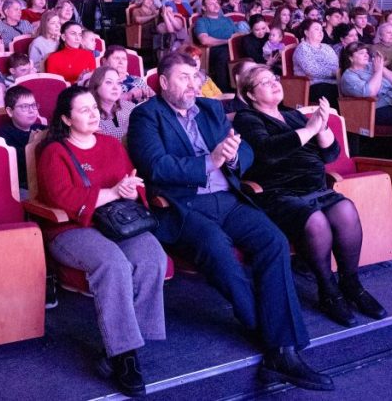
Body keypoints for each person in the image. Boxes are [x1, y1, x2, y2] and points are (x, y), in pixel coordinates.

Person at [127, 52, 331, 391]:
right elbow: (156, 166)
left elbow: (246, 150)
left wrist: (234, 156)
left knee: (273, 241)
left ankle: (280, 351)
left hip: (228, 199)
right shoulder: (146, 115)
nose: (192, 84)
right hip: (182, 205)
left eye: (194, 77)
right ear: (163, 82)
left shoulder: (210, 108)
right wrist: (210, 161)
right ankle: (276, 343)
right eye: (183, 77)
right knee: (217, 247)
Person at [36, 86, 167, 397]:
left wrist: (131, 189)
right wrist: (112, 192)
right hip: (70, 229)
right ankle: (124, 355)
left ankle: (128, 341)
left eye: (94, 108)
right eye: (84, 110)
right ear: (66, 119)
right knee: (113, 264)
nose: (93, 114)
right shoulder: (54, 151)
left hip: (116, 223)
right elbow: (62, 199)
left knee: (153, 256)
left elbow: (131, 182)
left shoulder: (110, 144)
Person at [235, 67, 386, 328]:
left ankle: (351, 284)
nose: (274, 83)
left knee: (346, 209)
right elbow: (268, 152)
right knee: (316, 221)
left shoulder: (292, 115)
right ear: (250, 94)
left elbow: (330, 155)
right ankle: (328, 291)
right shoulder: (247, 118)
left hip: (316, 188)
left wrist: (322, 127)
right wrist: (310, 128)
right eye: (264, 82)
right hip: (278, 193)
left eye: (275, 78)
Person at [338, 42, 392, 127]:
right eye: (361, 53)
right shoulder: (349, 76)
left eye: (366, 52)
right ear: (351, 58)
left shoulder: (370, 66)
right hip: (374, 109)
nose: (366, 55)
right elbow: (370, 93)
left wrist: (381, 67)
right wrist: (378, 71)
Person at [0, 85, 47, 190]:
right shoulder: (2, 134)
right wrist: (30, 146)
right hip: (21, 186)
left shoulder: (41, 128)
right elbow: (13, 169)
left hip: (44, 180)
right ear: (10, 111)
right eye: (24, 107)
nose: (31, 111)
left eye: (33, 105)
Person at [292, 19, 339, 108]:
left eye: (321, 30)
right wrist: (333, 73)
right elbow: (312, 70)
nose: (321, 32)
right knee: (335, 93)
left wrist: (335, 72)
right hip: (311, 86)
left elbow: (335, 64)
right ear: (306, 32)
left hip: (332, 82)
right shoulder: (303, 48)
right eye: (316, 29)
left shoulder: (326, 47)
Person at [88, 66, 136, 141]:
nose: (115, 88)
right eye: (109, 82)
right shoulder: (90, 116)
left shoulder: (130, 107)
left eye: (118, 83)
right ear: (96, 86)